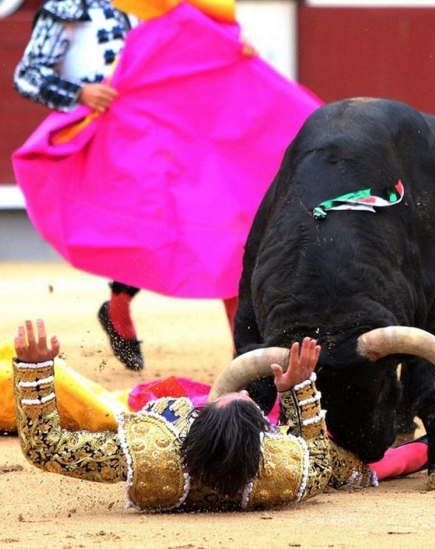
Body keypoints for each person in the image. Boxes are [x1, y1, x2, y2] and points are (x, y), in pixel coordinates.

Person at [13, 0, 256, 371]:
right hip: (103, 137)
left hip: (160, 124)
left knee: (219, 224)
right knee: (148, 227)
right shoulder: (66, 7)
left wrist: (229, 50)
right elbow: (27, 74)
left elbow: (184, 48)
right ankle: (120, 305)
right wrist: (79, 93)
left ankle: (244, 350)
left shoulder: (155, 4)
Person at [13, 319, 430, 511]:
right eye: (248, 399)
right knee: (371, 468)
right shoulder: (287, 470)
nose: (245, 390)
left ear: (191, 425)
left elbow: (45, 447)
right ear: (268, 439)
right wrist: (296, 388)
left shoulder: (152, 456)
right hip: (306, 460)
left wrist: (35, 372)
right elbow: (322, 451)